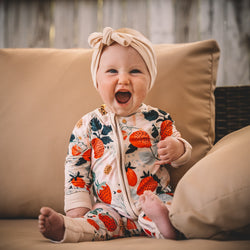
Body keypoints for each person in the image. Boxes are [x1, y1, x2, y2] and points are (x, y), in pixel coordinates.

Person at [38, 27, 192, 242]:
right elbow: (76, 165)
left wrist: (178, 148)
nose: (124, 80)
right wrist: (77, 206)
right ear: (98, 81)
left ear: (149, 80)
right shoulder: (88, 124)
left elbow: (179, 147)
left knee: (175, 210)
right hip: (110, 209)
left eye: (135, 71)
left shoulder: (158, 119)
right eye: (112, 71)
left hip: (152, 197)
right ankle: (67, 228)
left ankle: (166, 224)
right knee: (92, 223)